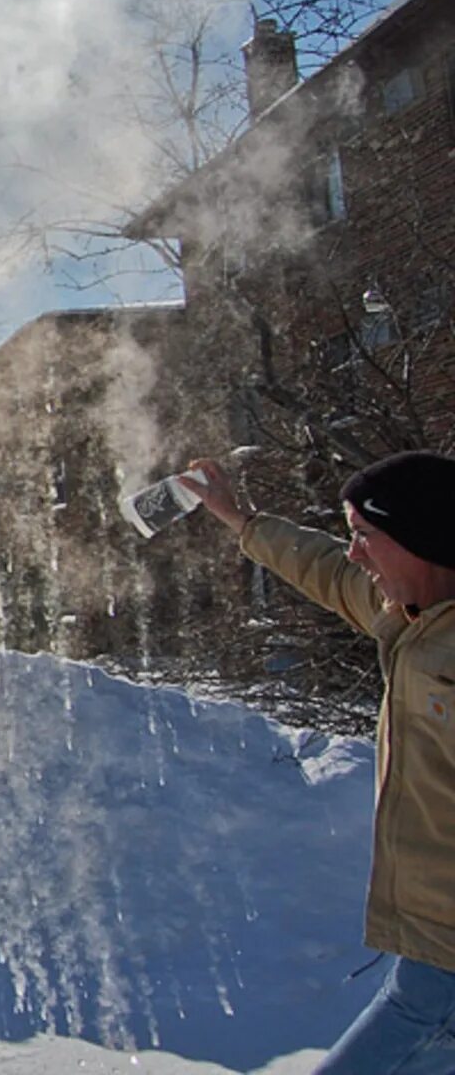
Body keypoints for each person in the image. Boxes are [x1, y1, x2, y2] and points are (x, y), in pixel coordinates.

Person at [185, 451, 455, 1073]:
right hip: (427, 955)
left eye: (366, 536)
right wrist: (241, 521)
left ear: (420, 542)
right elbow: (328, 570)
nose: (354, 552)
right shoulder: (406, 618)